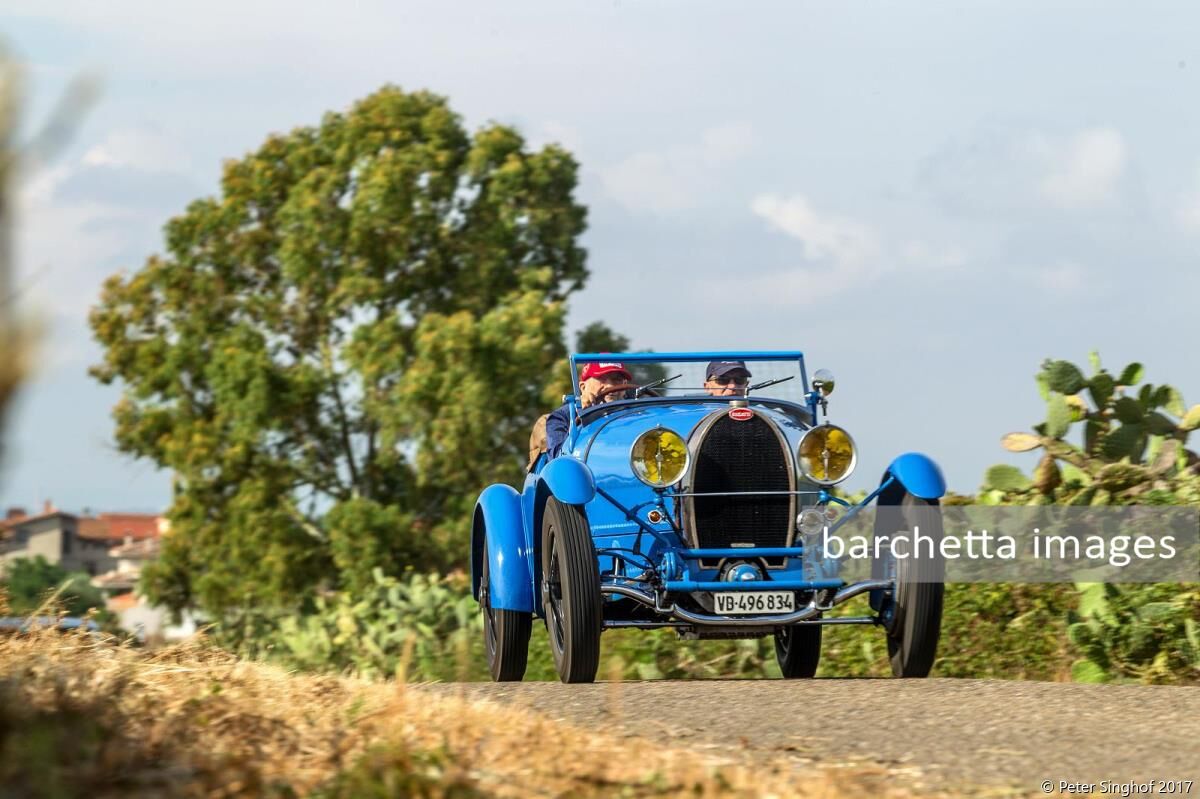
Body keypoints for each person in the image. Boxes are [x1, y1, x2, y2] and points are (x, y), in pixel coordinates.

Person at [539, 361, 634, 462]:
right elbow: (559, 461)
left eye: (617, 380)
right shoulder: (562, 417)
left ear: (625, 385)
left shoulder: (637, 413)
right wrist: (584, 414)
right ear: (583, 388)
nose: (610, 386)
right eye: (601, 378)